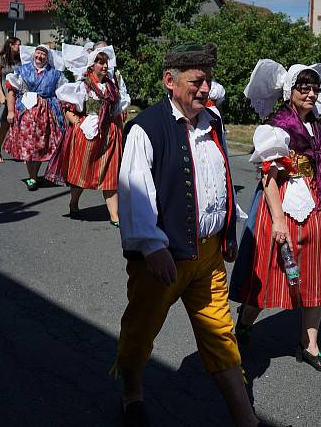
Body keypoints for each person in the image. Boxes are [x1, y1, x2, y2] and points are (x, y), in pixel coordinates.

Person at [116, 43, 260, 427]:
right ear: (170, 81)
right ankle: (132, 394)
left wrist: (228, 231)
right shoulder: (146, 127)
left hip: (209, 257)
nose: (204, 88)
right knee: (140, 330)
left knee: (221, 336)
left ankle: (247, 421)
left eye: (208, 80)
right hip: (163, 257)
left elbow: (221, 180)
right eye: (197, 81)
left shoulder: (212, 121)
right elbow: (135, 190)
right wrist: (152, 246)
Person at [231, 59, 321, 373]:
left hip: (319, 203)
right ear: (289, 91)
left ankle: (309, 344)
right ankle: (244, 320)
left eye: (314, 88)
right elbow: (268, 175)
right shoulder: (276, 125)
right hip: (282, 201)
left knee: (317, 271)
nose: (310, 94)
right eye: (303, 88)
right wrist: (278, 219)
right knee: (272, 270)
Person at [46, 49, 130, 226]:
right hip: (87, 135)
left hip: (110, 134)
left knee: (111, 174)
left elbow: (115, 113)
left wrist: (121, 134)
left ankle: (114, 215)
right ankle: (74, 202)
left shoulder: (112, 86)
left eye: (106, 62)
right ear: (92, 66)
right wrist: (78, 124)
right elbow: (67, 108)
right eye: (101, 62)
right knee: (82, 174)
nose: (105, 66)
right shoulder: (83, 85)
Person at [4, 44, 66, 191]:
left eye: (43, 54)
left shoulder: (55, 74)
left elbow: (63, 92)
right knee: (28, 146)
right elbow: (11, 91)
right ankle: (32, 177)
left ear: (47, 57)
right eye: (38, 53)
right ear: (34, 54)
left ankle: (34, 175)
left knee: (39, 146)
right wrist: (11, 111)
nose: (39, 56)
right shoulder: (22, 70)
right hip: (25, 114)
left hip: (45, 115)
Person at [0, 36, 21, 163]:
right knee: (5, 125)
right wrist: (2, 95)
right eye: (18, 44)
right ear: (11, 45)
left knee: (20, 125)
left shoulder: (20, 59)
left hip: (19, 94)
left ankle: (20, 152)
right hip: (5, 92)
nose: (20, 47)